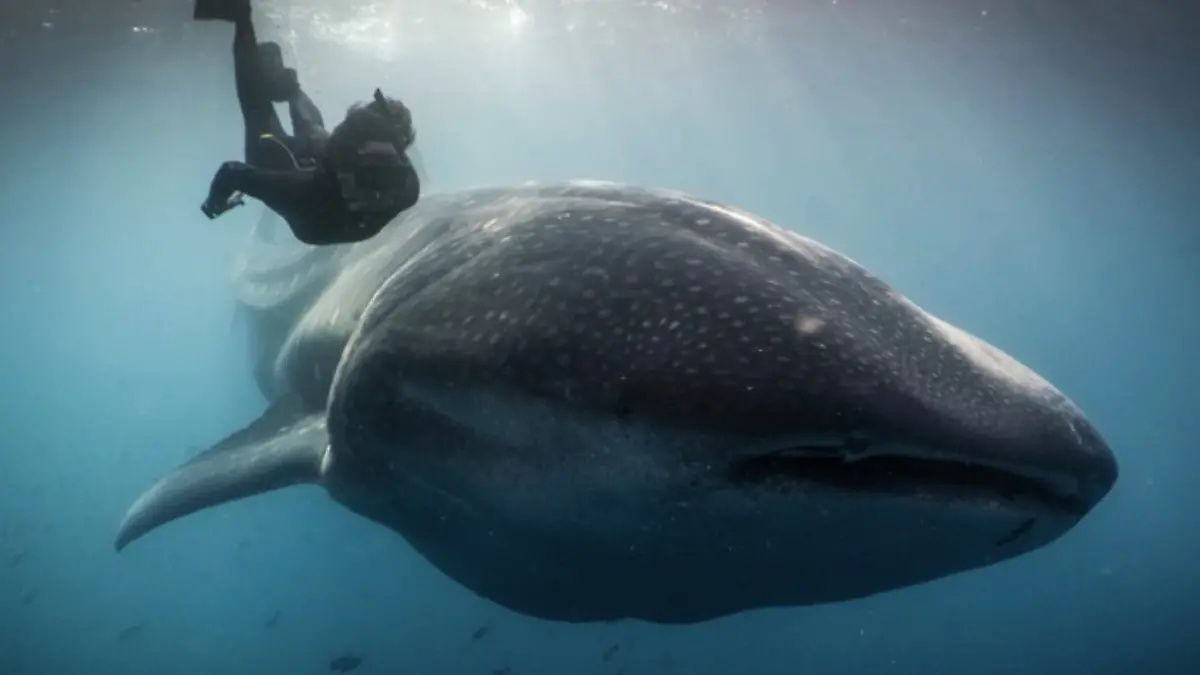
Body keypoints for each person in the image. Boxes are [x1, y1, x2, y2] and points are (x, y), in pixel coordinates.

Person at [194, 0, 421, 246]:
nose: (371, 192)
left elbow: (231, 173)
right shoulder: (404, 189)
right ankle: (285, 83)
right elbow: (231, 173)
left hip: (305, 174)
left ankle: (284, 82)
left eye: (380, 176)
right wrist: (213, 208)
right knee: (284, 119)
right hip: (305, 177)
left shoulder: (308, 192)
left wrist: (214, 206)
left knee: (275, 117)